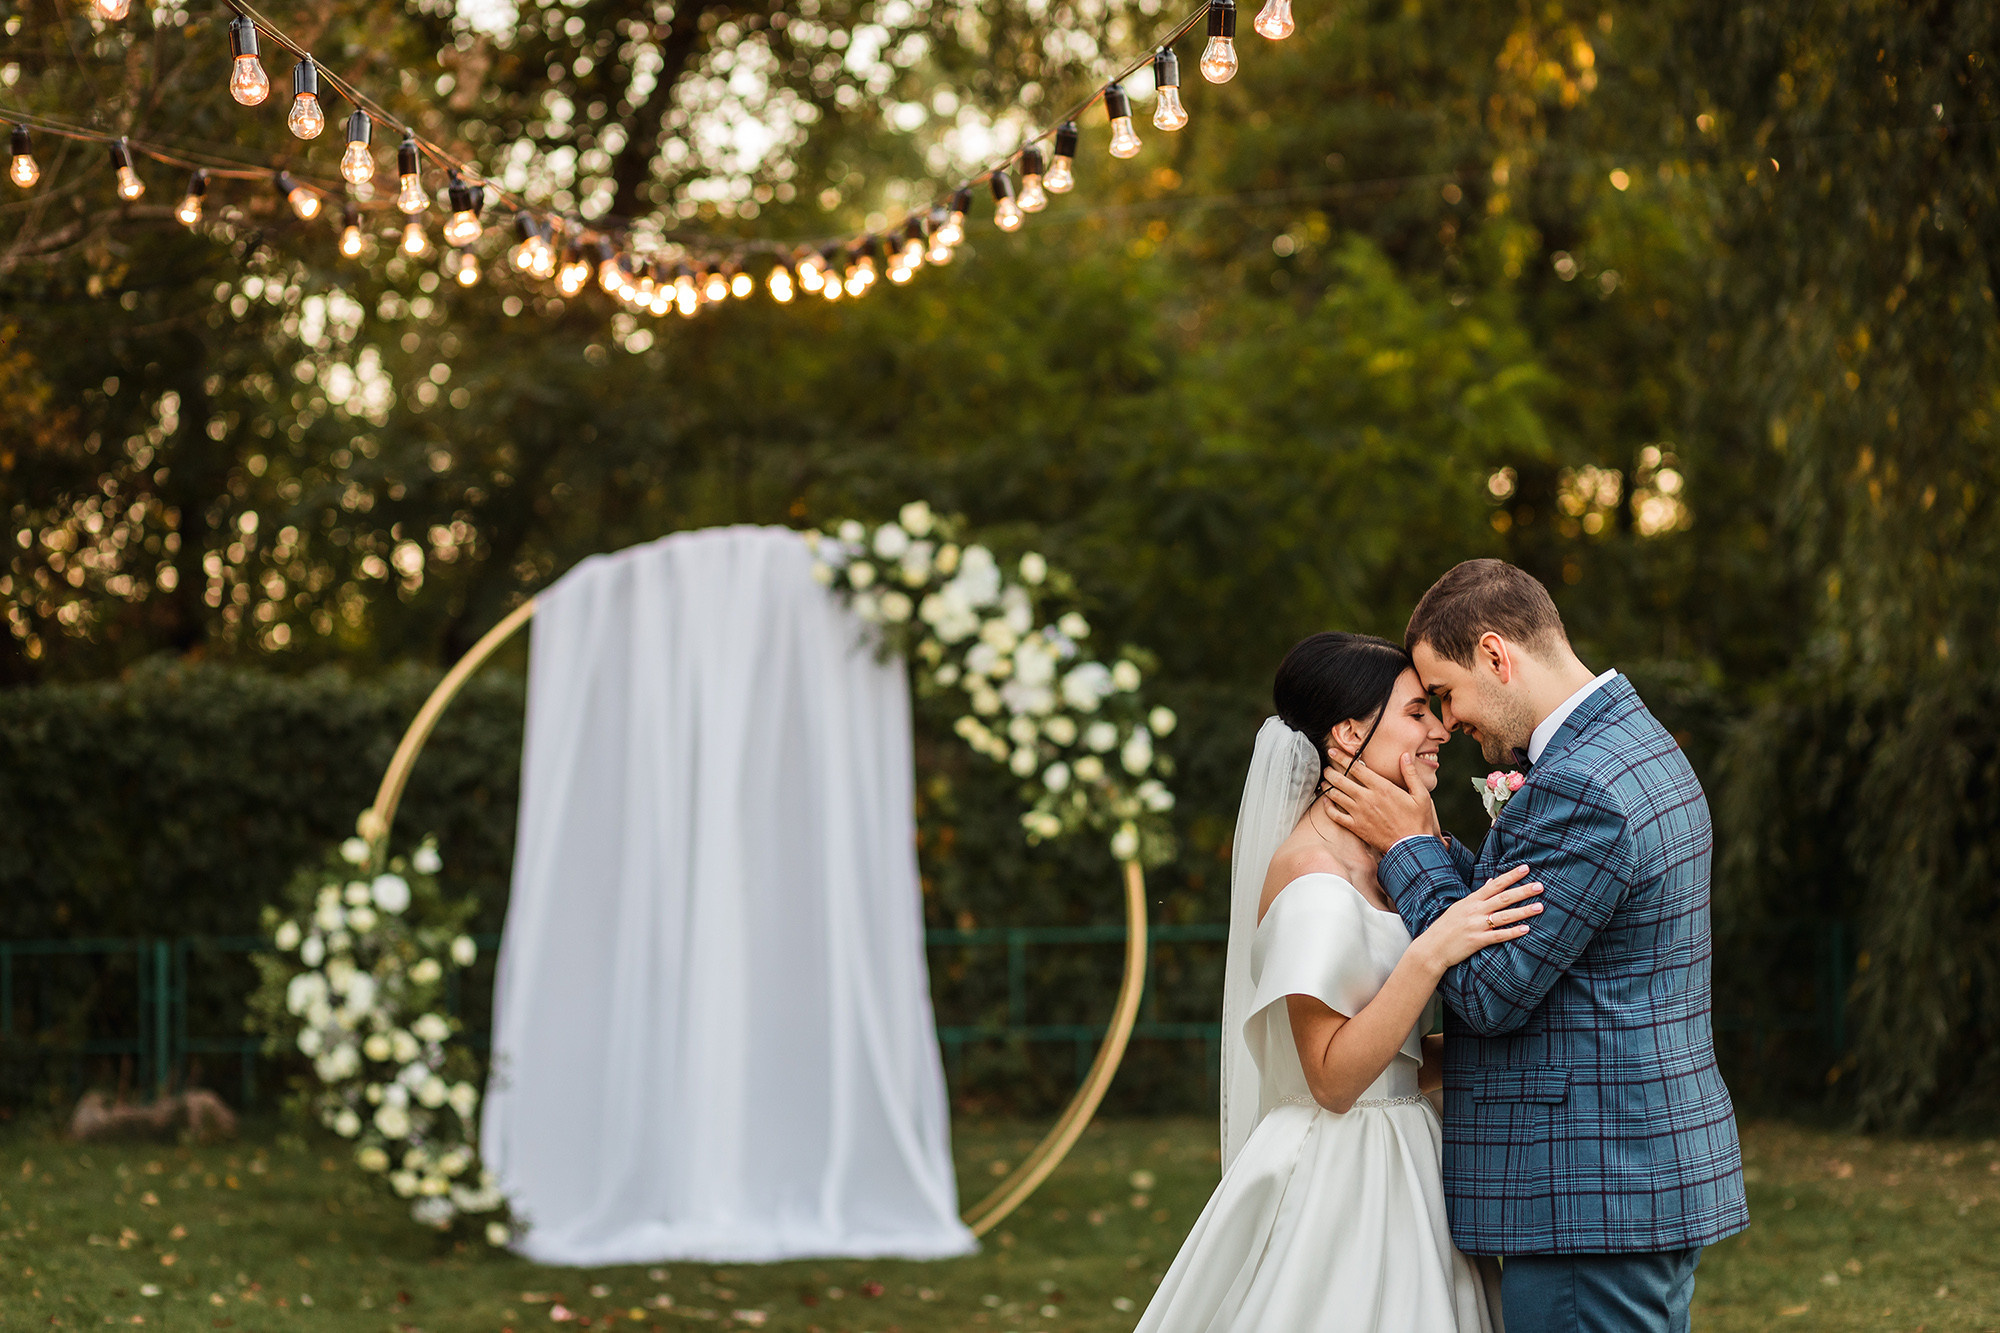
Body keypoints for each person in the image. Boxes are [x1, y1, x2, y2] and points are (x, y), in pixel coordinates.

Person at [1327, 560, 1749, 1333]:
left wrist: (1407, 852)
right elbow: (1530, 911)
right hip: (1622, 1176)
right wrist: (1433, 845)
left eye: (1445, 693)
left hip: (1587, 1188)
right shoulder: (1628, 742)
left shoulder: (1581, 783)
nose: (1447, 722)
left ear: (1495, 654)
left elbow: (1489, 990)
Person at [1134, 631, 1541, 1333]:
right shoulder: (1312, 878)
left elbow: (1396, 1060)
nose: (1440, 730)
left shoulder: (1388, 863)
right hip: (1342, 1172)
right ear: (1349, 732)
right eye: (1416, 713)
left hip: (1410, 1152)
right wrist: (1431, 952)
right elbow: (1331, 1078)